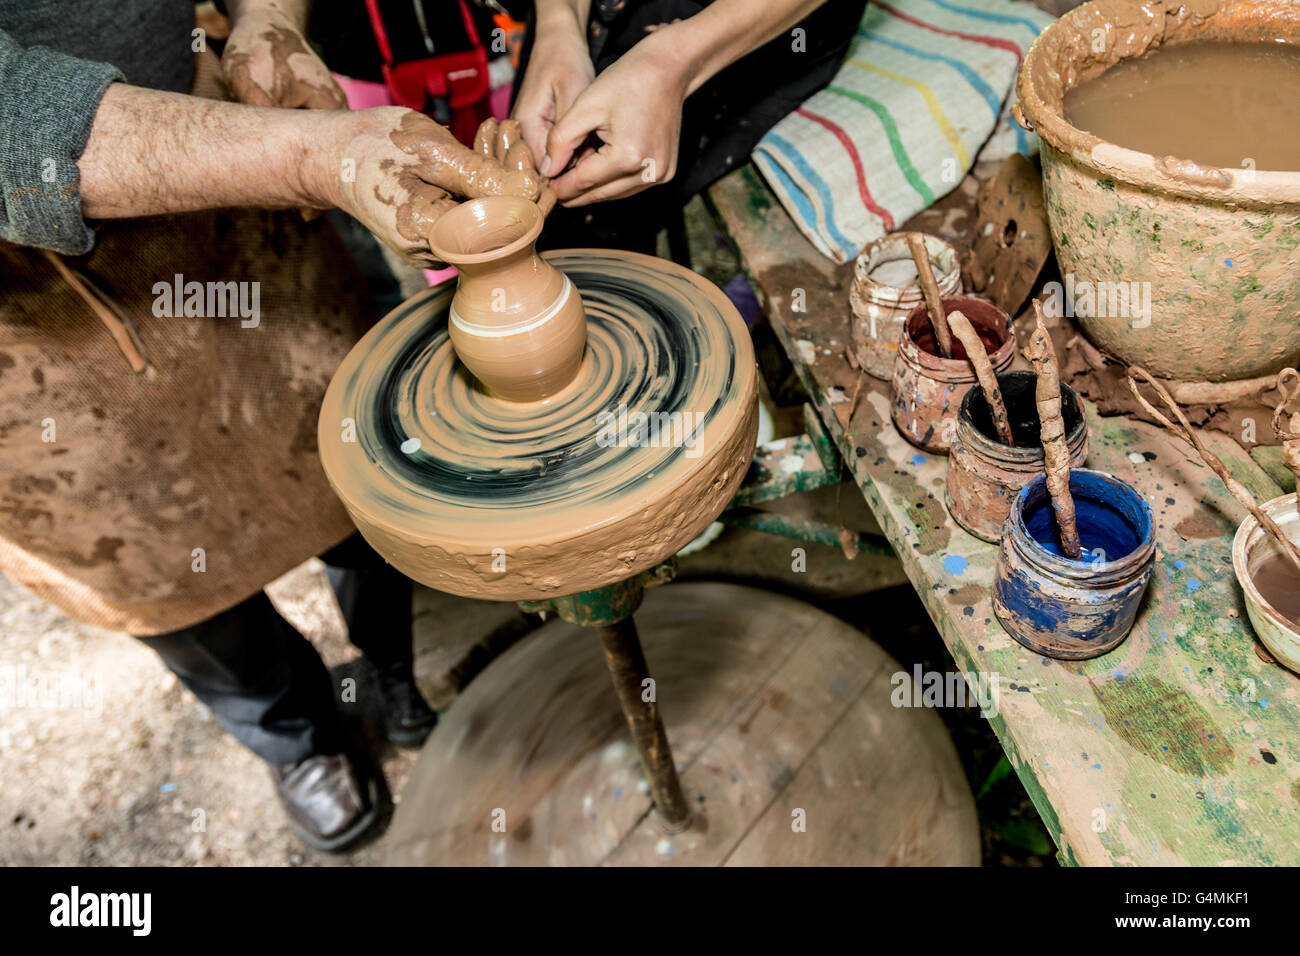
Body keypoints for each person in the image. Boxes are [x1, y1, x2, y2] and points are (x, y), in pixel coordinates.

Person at [0, 0, 547, 852]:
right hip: (24, 319)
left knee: (355, 459)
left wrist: (266, 15)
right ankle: (299, 736)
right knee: (161, 566)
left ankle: (391, 671)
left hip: (219, 153)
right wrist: (310, 158)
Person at [511, 0, 867, 252]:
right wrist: (558, 26)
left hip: (762, 20)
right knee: (550, 209)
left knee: (625, 207)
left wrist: (675, 62)